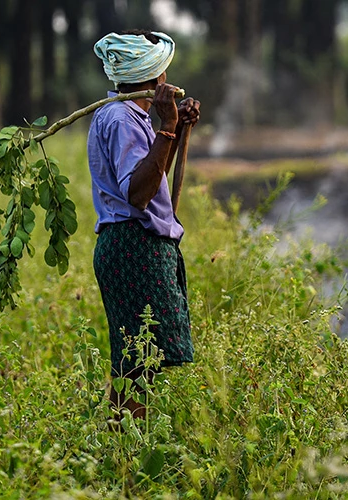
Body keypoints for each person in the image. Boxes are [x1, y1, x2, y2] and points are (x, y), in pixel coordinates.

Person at [87, 30, 200, 422]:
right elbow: (137, 193)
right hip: (133, 247)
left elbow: (152, 173)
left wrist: (175, 128)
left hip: (135, 246)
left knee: (141, 363)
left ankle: (127, 451)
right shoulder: (121, 119)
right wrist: (166, 130)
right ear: (158, 80)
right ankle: (126, 453)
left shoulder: (132, 116)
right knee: (137, 365)